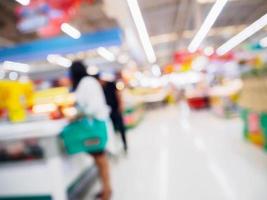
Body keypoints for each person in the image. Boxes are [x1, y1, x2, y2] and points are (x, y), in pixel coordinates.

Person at [69, 61, 111, 200]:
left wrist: (77, 115)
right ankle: (105, 189)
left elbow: (91, 107)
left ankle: (107, 191)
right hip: (95, 126)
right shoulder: (88, 82)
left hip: (94, 127)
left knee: (101, 160)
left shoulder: (86, 83)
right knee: (100, 160)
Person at [99, 75, 128, 152]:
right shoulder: (99, 88)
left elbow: (118, 94)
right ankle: (114, 147)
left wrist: (121, 105)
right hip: (107, 112)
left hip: (116, 109)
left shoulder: (111, 84)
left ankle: (125, 144)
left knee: (121, 128)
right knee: (111, 129)